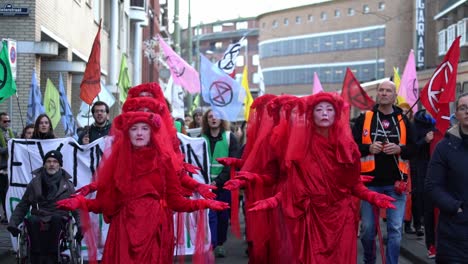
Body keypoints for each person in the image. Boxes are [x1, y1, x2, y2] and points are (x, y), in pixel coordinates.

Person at [238, 93, 396, 264]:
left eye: (329, 109)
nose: (325, 113)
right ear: (311, 114)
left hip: (341, 220)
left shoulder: (348, 147)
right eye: (319, 109)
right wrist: (270, 199)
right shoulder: (301, 147)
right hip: (311, 219)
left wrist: (373, 196)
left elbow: (354, 185)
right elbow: (293, 187)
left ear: (336, 114)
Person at [57, 111, 229, 264]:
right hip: (123, 231)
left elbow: (175, 202)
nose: (139, 133)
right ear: (127, 133)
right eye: (134, 128)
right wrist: (81, 202)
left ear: (152, 133)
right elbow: (105, 204)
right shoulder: (118, 162)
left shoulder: (164, 161)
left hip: (154, 231)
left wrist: (203, 203)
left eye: (145, 128)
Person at [352, 80, 415, 264]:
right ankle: (369, 260)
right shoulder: (365, 118)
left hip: (396, 185)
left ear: (395, 96)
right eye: (381, 90)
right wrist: (367, 148)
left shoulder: (403, 120)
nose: (384, 93)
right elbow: (351, 147)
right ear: (377, 94)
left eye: (389, 90)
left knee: (395, 229)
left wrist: (400, 149)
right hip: (370, 185)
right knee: (368, 230)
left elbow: (415, 149)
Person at [7, 150, 81, 264]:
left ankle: (52, 256)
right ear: (44, 164)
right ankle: (37, 256)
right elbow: (23, 205)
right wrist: (13, 223)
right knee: (32, 220)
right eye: (49, 161)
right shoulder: (34, 183)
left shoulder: (67, 185)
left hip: (59, 216)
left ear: (59, 164)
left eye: (55, 161)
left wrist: (81, 226)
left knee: (56, 219)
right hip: (39, 215)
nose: (52, 164)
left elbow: (77, 208)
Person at [425, 92, 468, 263]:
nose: (467, 112)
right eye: (463, 108)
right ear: (456, 114)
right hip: (453, 234)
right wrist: (456, 208)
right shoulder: (444, 147)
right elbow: (432, 186)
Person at [201, 109, 239, 257]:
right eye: (210, 117)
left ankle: (220, 242)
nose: (213, 119)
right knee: (210, 216)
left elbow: (231, 163)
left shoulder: (230, 138)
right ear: (207, 120)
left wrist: (218, 181)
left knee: (223, 217)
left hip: (224, 186)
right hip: (207, 187)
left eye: (216, 116)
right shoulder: (201, 138)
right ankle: (214, 244)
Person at [0, 112, 16, 223]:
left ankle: (7, 214)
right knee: (1, 192)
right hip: (1, 167)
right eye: (5, 121)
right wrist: (11, 146)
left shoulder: (12, 133)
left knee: (7, 192)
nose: (7, 123)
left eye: (8, 121)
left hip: (11, 168)